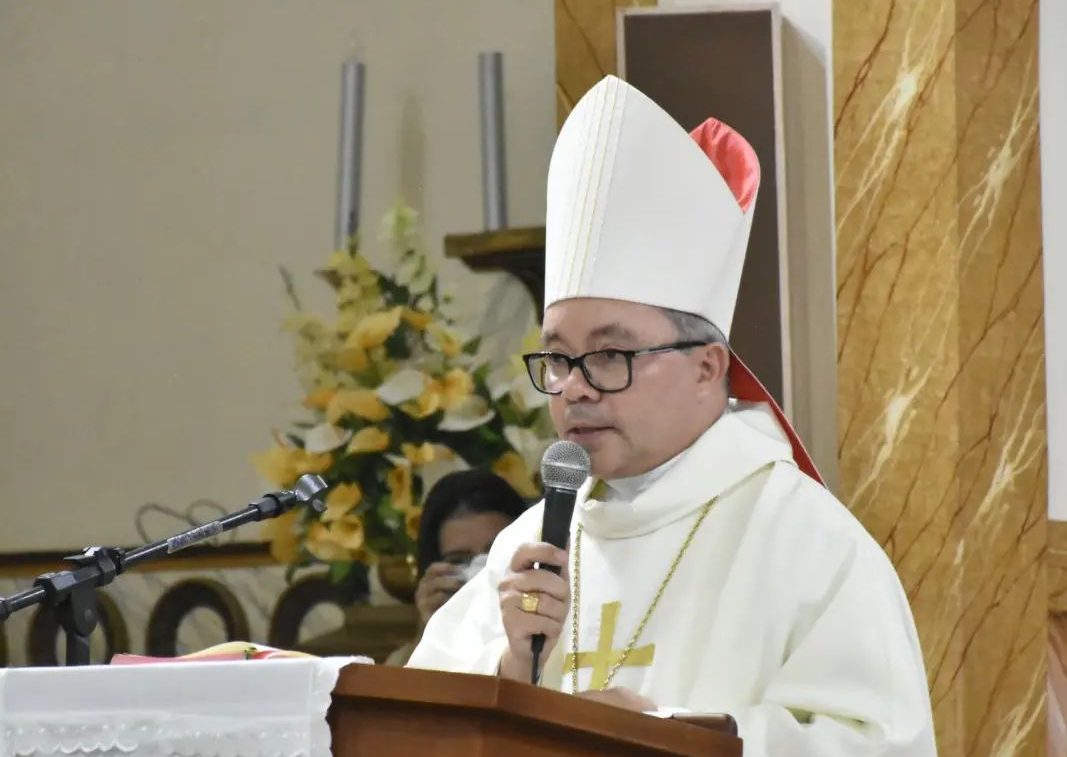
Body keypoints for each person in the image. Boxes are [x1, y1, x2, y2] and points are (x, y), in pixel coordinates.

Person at [407, 75, 937, 755]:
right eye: (559, 358)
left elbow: (877, 743)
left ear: (706, 368)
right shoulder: (526, 548)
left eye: (610, 355)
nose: (574, 389)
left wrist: (660, 737)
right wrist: (512, 673)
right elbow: (414, 728)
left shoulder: (805, 541)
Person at [385, 469, 527, 666]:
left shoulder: (568, 633)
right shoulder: (404, 661)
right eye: (460, 560)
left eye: (495, 552)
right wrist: (431, 630)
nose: (482, 571)